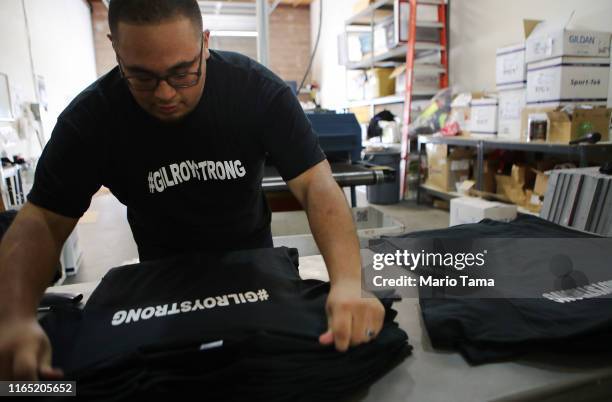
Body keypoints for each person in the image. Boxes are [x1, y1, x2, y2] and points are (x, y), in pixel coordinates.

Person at [0, 0, 384, 380]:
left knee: (265, 380)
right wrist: (15, 317)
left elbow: (316, 185)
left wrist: (349, 283)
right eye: (142, 77)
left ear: (205, 42)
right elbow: (45, 220)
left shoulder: (257, 92)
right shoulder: (90, 120)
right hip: (158, 289)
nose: (165, 94)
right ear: (115, 48)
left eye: (184, 73)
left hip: (256, 276)